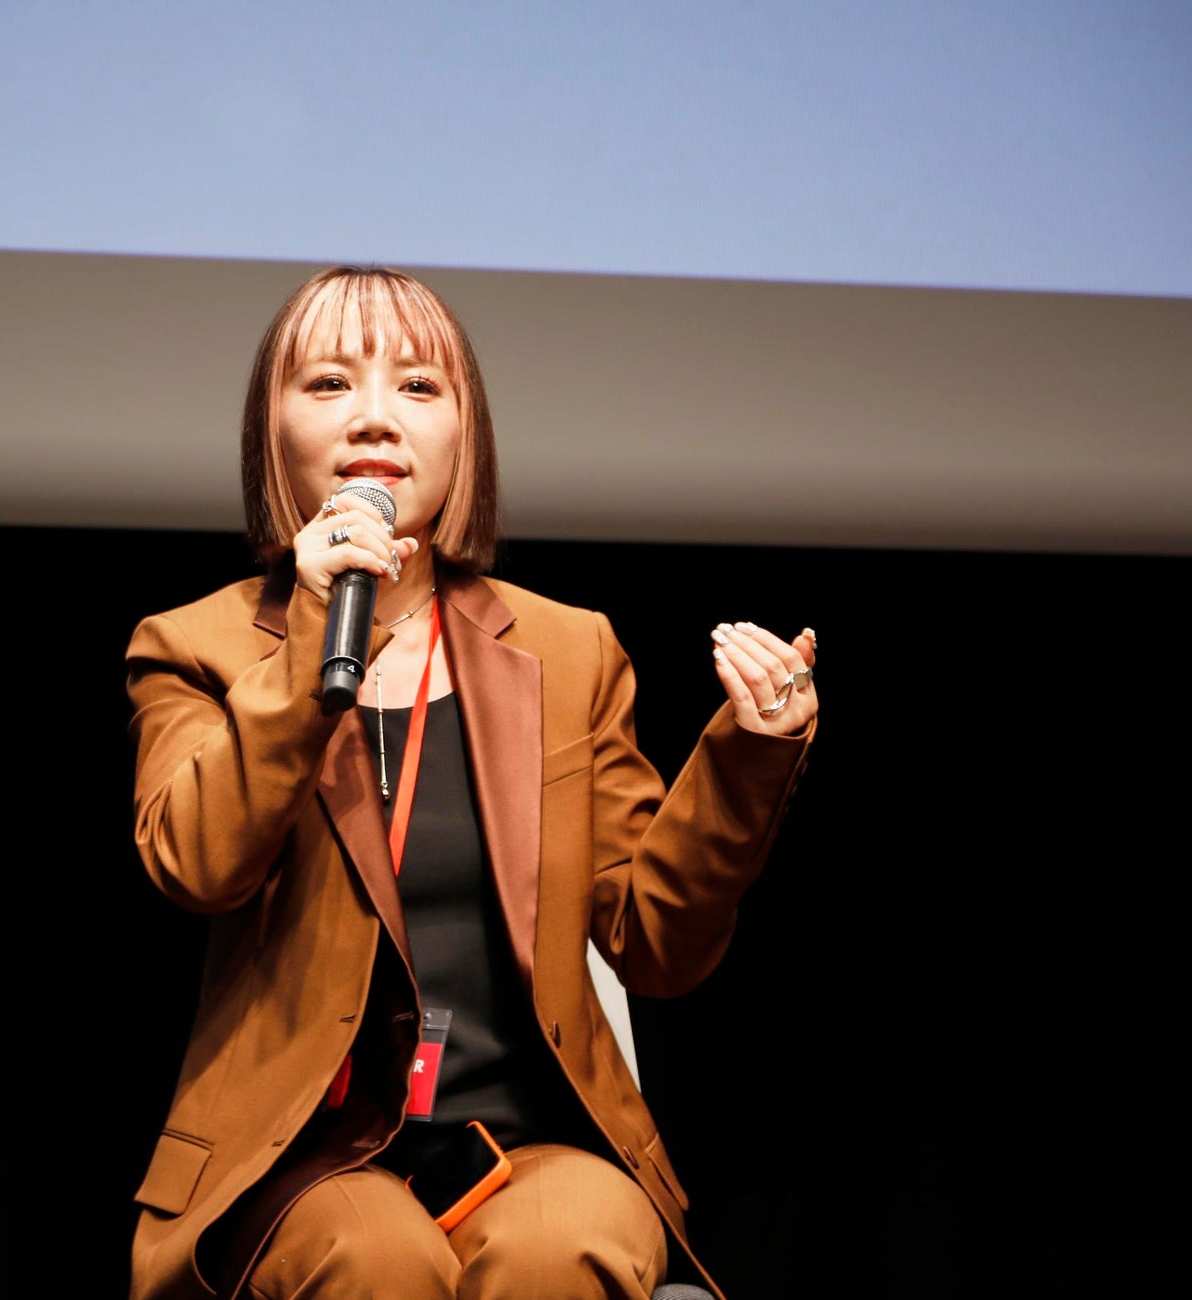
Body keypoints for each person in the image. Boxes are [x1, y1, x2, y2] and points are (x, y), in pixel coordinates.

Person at [123, 265, 817, 1300]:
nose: (373, 415)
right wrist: (311, 638)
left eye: (418, 386)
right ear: (273, 432)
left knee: (562, 1246)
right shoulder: (194, 646)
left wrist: (748, 755)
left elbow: (655, 943)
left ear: (466, 436)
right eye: (328, 383)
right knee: (375, 1258)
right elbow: (198, 863)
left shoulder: (568, 648)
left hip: (528, 1142)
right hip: (300, 1157)